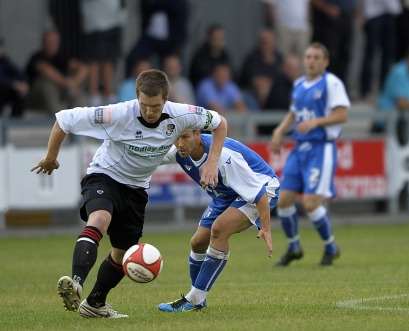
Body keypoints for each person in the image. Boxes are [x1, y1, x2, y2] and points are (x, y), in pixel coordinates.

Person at [30, 69, 227, 318]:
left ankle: (95, 304)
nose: (149, 111)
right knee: (99, 218)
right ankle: (76, 282)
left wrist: (212, 162)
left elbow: (220, 123)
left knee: (123, 253)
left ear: (166, 100)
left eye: (155, 106)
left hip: (136, 188)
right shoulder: (118, 113)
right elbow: (64, 120)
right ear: (137, 97)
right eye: (144, 105)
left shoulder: (183, 114)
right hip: (104, 175)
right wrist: (51, 157)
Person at [158, 129, 279, 312]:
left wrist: (266, 228)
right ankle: (197, 299)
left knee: (219, 229)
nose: (180, 143)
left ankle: (194, 299)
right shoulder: (179, 152)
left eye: (185, 137)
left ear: (197, 134)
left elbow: (259, 194)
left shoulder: (223, 157)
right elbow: (150, 158)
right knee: (198, 242)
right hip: (226, 194)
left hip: (263, 187)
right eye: (176, 138)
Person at [270, 43, 350, 267]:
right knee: (283, 200)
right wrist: (279, 131)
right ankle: (294, 246)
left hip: (321, 147)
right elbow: (294, 113)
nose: (311, 61)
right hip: (299, 147)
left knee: (311, 202)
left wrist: (317, 122)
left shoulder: (331, 83)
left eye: (316, 57)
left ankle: (330, 245)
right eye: (308, 57)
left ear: (325, 62)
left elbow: (342, 115)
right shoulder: (299, 84)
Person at [26, 30, 88, 114]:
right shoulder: (37, 57)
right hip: (35, 98)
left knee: (78, 93)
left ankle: (79, 118)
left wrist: (75, 82)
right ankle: (60, 118)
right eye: (49, 42)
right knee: (47, 85)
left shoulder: (62, 57)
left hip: (62, 91)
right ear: (43, 43)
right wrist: (67, 84)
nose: (52, 44)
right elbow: (46, 70)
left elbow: (83, 68)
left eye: (54, 42)